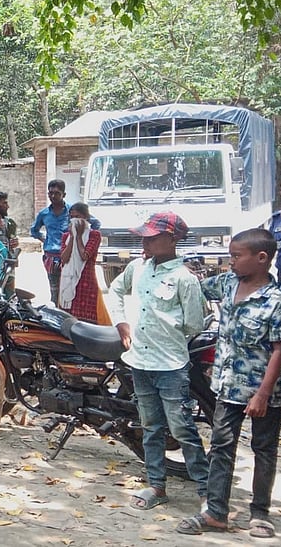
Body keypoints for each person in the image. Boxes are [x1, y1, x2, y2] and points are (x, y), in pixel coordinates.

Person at [174, 228, 281, 539]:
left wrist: (262, 394)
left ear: (262, 258)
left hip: (262, 392)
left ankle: (260, 513)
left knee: (263, 450)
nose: (231, 262)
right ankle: (216, 512)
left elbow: (280, 349)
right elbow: (196, 288)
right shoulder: (228, 283)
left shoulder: (275, 301)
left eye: (237, 256)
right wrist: (179, 267)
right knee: (221, 446)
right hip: (227, 388)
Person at [109, 211, 208, 511]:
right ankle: (156, 486)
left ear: (172, 239)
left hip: (170, 366)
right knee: (150, 427)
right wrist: (121, 322)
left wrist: (165, 334)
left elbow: (194, 324)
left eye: (152, 237)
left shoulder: (184, 278)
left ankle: (207, 492)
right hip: (140, 362)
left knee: (181, 429)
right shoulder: (137, 267)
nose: (145, 242)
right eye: (144, 237)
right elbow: (116, 290)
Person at [58, 202, 102, 322]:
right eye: (72, 217)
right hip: (68, 279)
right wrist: (72, 237)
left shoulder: (94, 235)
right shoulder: (66, 237)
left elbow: (84, 256)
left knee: (86, 321)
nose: (74, 220)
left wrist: (79, 237)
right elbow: (64, 258)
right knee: (68, 319)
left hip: (86, 280)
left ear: (85, 218)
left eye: (77, 217)